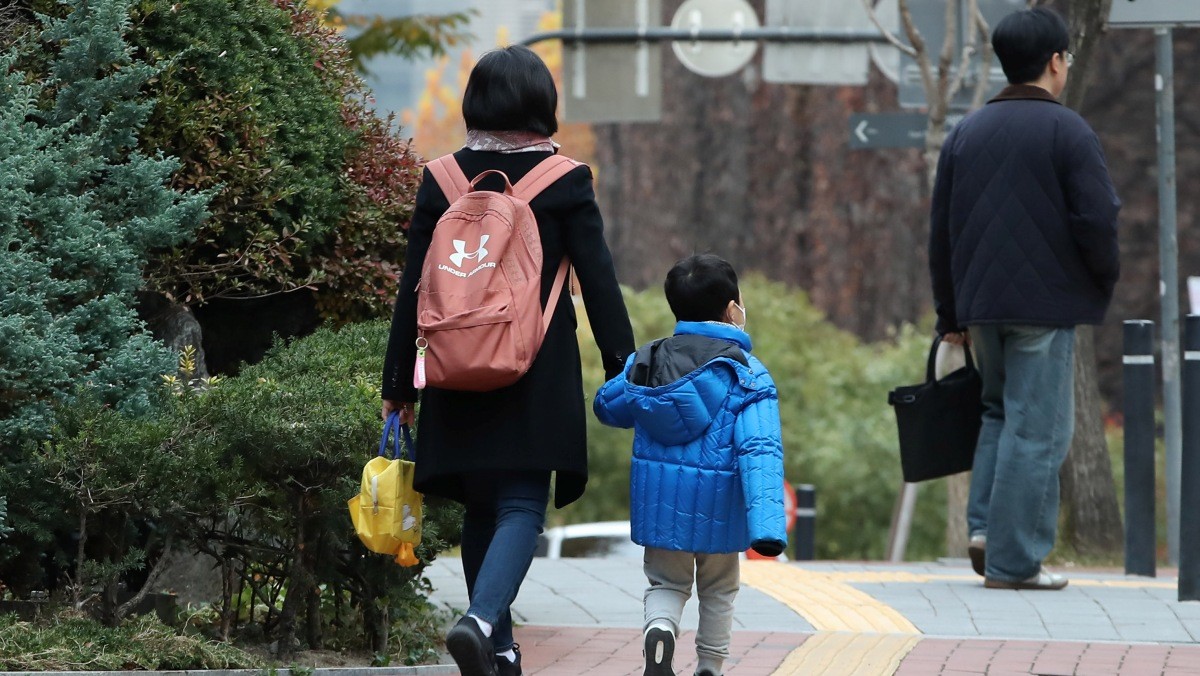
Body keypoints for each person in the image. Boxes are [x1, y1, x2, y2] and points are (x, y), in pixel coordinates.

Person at [380, 45, 635, 676]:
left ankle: (498, 649)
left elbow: (414, 285)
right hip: (535, 363)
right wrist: (622, 363)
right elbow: (598, 282)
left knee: (480, 505)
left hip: (452, 360)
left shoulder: (441, 176)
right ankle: (481, 620)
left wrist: (398, 386)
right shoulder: (565, 181)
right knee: (522, 502)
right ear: (541, 105)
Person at [928, 7, 1120, 591]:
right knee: (1039, 430)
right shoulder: (1069, 130)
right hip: (1045, 305)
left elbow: (942, 231)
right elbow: (1098, 218)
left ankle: (986, 529)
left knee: (999, 413)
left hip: (981, 305)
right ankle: (1016, 562)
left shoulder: (967, 132)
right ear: (1057, 62)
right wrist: (1099, 280)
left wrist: (949, 313)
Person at [594, 254, 787, 676]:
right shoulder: (748, 374)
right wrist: (768, 529)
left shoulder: (647, 362)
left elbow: (608, 408)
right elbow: (760, 450)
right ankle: (709, 667)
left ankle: (660, 628)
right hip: (721, 510)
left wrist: (626, 377)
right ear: (733, 308)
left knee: (666, 584)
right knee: (719, 589)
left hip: (661, 506)